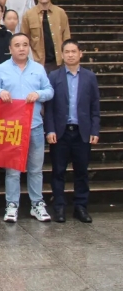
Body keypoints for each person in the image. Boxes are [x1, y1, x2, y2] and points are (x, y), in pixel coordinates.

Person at [0, 33, 54, 223]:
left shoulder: (38, 69)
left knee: (35, 168)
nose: (21, 48)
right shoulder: (1, 69)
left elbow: (50, 91)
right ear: (10, 49)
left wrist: (39, 94)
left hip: (35, 125)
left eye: (25, 45)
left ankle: (37, 204)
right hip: (11, 127)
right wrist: (0, 92)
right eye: (17, 45)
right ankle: (12, 205)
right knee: (12, 170)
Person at [45, 40, 101, 223]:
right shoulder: (54, 76)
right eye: (67, 52)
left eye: (73, 51)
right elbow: (49, 108)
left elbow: (95, 106)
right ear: (62, 54)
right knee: (58, 171)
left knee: (81, 172)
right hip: (60, 132)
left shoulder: (89, 77)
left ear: (80, 54)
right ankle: (59, 207)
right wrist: (50, 129)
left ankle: (80, 207)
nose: (70, 55)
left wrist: (95, 130)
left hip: (82, 132)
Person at [21, 0, 71, 73]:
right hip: (37, 61)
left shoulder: (60, 13)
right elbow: (24, 37)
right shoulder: (28, 15)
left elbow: (66, 36)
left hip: (58, 61)